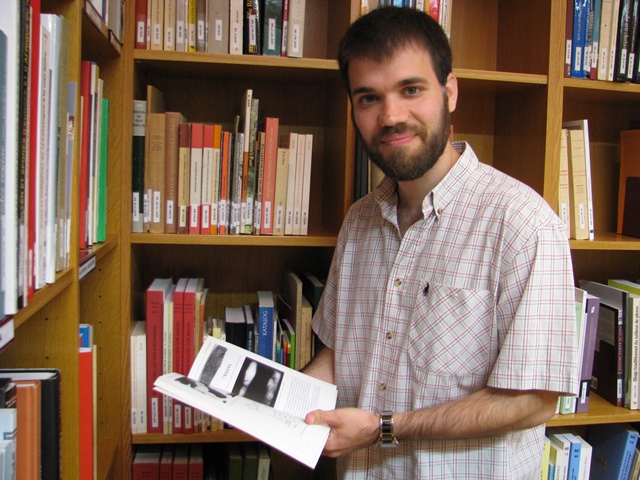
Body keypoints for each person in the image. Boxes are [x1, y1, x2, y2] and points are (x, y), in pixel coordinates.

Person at [302, 6, 579, 479]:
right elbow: (339, 351)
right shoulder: (358, 221)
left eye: (411, 89)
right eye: (369, 98)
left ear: (449, 91)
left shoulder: (523, 224)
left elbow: (533, 401)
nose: (391, 116)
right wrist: (281, 402)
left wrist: (384, 428)